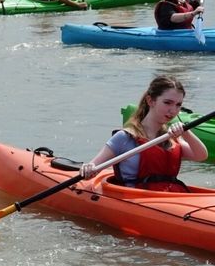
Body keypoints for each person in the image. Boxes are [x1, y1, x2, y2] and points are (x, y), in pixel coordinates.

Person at [79, 76, 208, 191]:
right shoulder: (125, 137)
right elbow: (93, 167)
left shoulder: (171, 138)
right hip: (135, 198)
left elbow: (201, 156)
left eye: (178, 105)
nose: (173, 110)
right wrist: (88, 168)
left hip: (169, 198)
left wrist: (186, 132)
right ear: (150, 101)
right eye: (167, 102)